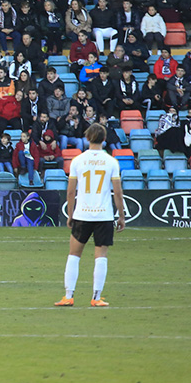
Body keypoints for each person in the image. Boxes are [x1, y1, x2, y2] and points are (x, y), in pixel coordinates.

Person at [56, 123, 126, 307]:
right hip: (104, 215)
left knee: (74, 255)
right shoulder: (111, 161)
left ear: (87, 138)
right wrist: (121, 216)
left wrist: (70, 214)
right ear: (104, 139)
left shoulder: (78, 160)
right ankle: (96, 297)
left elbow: (70, 191)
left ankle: (68, 296)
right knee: (101, 256)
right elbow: (118, 193)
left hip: (82, 215)